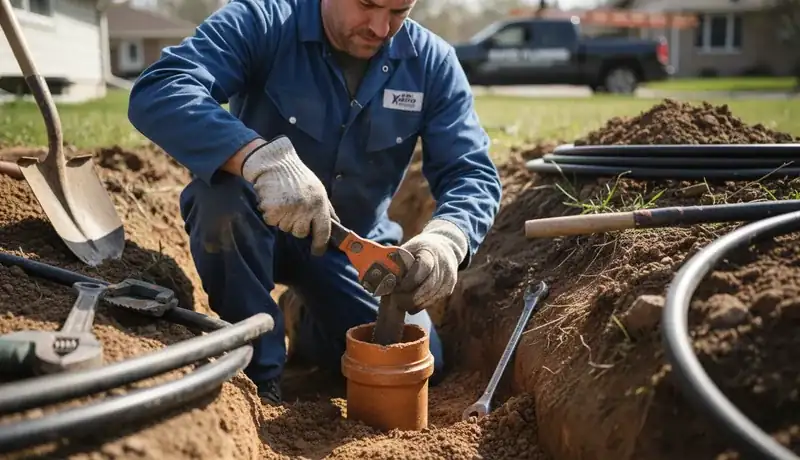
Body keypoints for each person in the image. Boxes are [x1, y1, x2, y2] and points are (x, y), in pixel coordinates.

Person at [127, 0, 502, 405]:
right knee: (218, 198)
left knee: (412, 358)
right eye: (367, 5)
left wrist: (449, 238)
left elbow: (471, 172)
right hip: (251, 226)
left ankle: (303, 319)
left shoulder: (430, 63)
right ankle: (256, 376)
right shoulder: (263, 21)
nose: (380, 27)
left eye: (399, 11)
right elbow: (162, 88)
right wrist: (258, 159)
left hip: (352, 249)